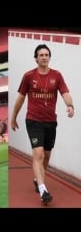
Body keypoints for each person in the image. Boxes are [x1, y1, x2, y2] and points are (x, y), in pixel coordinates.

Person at [10, 44, 74, 205]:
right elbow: (20, 98)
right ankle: (43, 189)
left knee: (46, 155)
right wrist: (13, 117)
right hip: (33, 120)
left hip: (51, 121)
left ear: (49, 57)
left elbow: (65, 93)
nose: (44, 57)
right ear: (36, 58)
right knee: (38, 154)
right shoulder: (28, 76)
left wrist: (70, 105)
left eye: (46, 54)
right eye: (41, 55)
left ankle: (36, 178)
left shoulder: (57, 76)